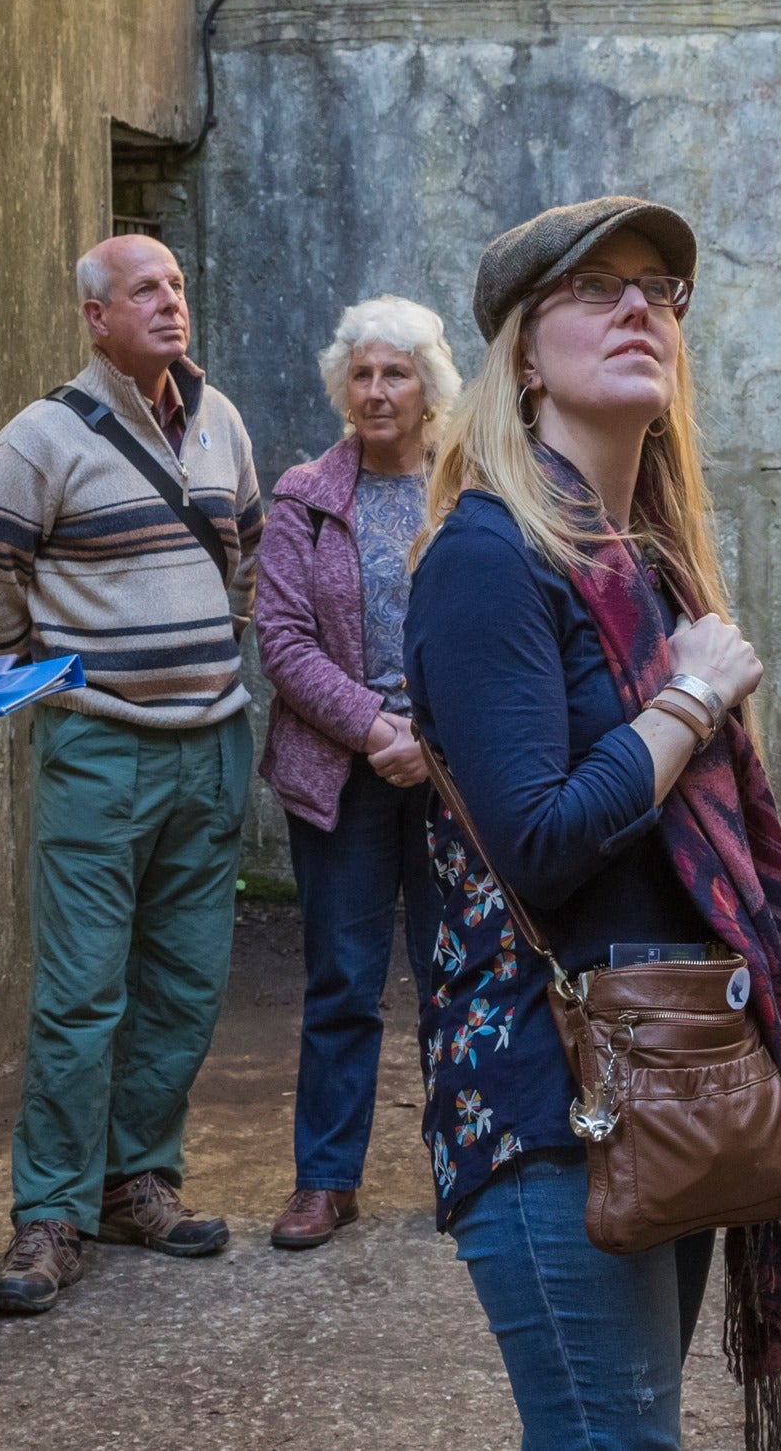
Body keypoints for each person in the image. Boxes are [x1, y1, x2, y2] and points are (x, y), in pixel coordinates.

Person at [406, 198, 781, 1450]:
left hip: (671, 1065)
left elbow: (700, 848)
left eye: (660, 288)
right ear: (523, 355)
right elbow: (536, 836)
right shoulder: (487, 555)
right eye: (597, 288)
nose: (641, 305)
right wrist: (691, 700)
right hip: (554, 1093)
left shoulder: (643, 562)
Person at [0, 234, 264, 1316]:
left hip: (212, 741)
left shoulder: (220, 419)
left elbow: (249, 560)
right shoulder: (40, 439)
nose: (170, 303)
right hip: (100, 744)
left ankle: (141, 1178)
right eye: (145, 290)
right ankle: (49, 1210)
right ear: (95, 315)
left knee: (183, 982)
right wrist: (71, 664)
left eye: (177, 284)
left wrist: (199, 661)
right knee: (83, 990)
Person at [256, 296, 460, 1251]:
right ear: (346, 384)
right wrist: (377, 726)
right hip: (343, 770)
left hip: (453, 770)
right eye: (365, 373)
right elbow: (284, 642)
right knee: (343, 978)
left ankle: (470, 1163)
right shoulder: (305, 493)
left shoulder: (473, 491)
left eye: (398, 373)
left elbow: (495, 633)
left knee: (454, 973)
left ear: (430, 387)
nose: (379, 391)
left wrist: (434, 735)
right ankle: (325, 1180)